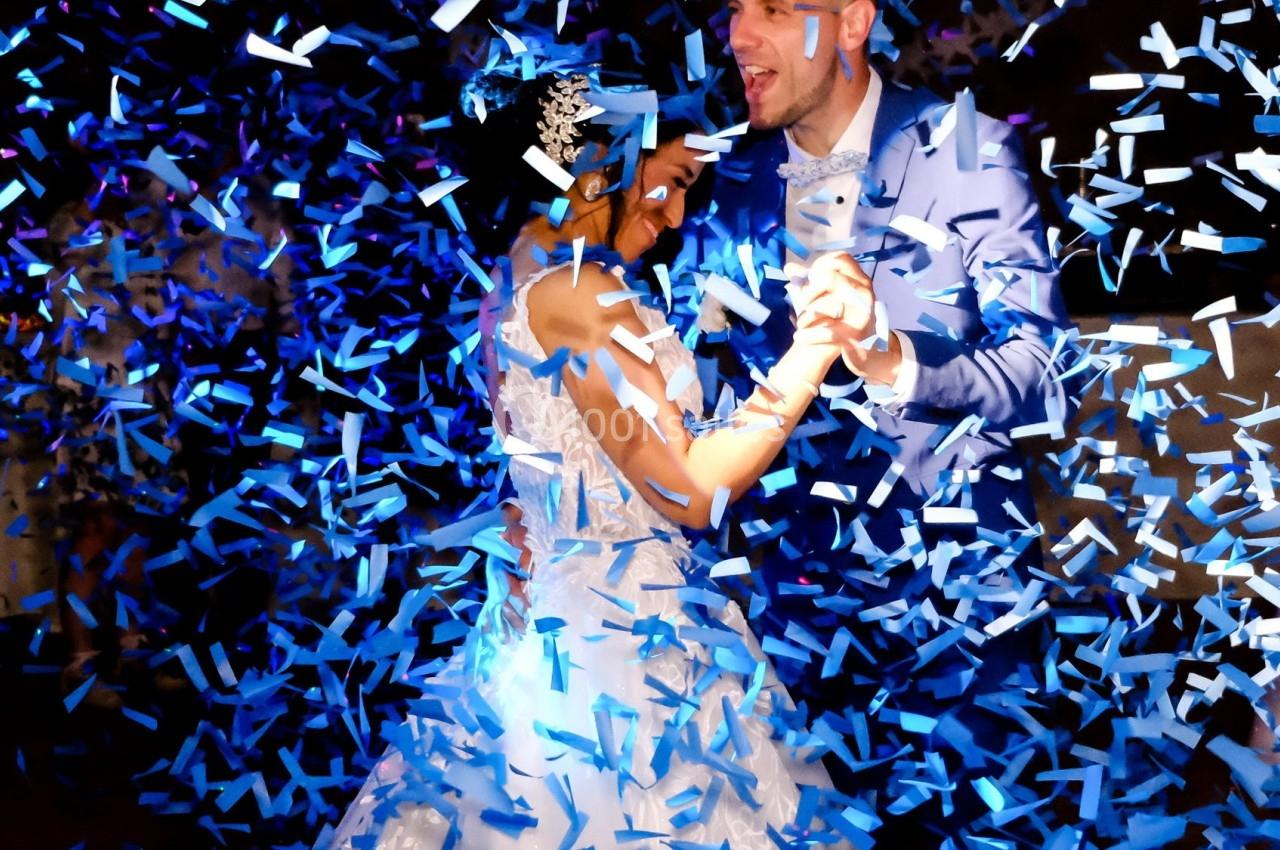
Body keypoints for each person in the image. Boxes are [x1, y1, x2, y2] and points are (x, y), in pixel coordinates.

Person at [331, 69, 874, 849]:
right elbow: (689, 492)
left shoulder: (517, 276)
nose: (679, 214)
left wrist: (518, 525)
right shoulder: (577, 295)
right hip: (625, 658)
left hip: (549, 632)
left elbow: (540, 461)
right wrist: (815, 351)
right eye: (674, 181)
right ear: (600, 168)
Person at [689, 0, 1083, 842]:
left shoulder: (966, 149)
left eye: (768, 8)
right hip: (787, 633)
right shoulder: (728, 186)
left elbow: (1046, 375)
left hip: (960, 623)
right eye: (733, 11)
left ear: (852, 21)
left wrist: (892, 355)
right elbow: (706, 397)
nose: (738, 35)